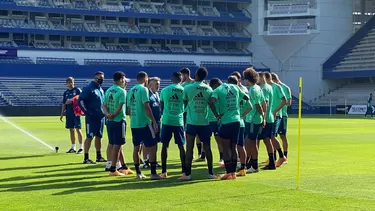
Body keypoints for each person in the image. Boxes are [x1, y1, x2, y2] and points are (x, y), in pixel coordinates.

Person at [178, 67, 216, 180]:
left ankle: (187, 174)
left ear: (196, 75)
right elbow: (211, 104)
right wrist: (217, 115)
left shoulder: (188, 88)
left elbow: (184, 104)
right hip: (204, 122)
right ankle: (210, 172)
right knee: (207, 147)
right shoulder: (209, 89)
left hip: (191, 122)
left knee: (189, 148)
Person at [210, 76, 250, 180]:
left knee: (226, 147)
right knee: (234, 147)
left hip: (226, 121)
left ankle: (228, 172)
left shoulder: (218, 90)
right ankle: (233, 173)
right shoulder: (236, 88)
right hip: (237, 120)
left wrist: (217, 114)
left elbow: (211, 102)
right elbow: (247, 98)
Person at [127, 71, 161, 180]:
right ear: (145, 79)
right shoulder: (144, 89)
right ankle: (153, 173)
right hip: (145, 123)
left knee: (136, 148)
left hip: (134, 123)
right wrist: (154, 121)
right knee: (152, 146)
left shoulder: (131, 90)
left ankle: (138, 173)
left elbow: (128, 110)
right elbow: (146, 106)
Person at [103, 71, 134, 176]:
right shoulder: (122, 92)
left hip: (109, 121)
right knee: (117, 145)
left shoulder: (108, 90)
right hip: (119, 120)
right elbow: (120, 106)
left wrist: (108, 114)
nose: (125, 82)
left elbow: (104, 105)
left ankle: (123, 166)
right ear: (121, 79)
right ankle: (113, 169)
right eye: (125, 80)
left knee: (114, 143)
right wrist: (114, 114)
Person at [159, 72, 186, 178]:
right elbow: (186, 103)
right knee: (181, 146)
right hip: (178, 121)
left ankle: (164, 171)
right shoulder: (184, 90)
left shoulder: (164, 90)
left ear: (171, 79)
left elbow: (161, 105)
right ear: (181, 79)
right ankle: (184, 170)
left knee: (164, 145)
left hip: (166, 120)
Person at [78, 71, 107, 164]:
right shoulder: (89, 88)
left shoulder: (100, 89)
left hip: (101, 117)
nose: (101, 79)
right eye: (99, 78)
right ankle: (86, 157)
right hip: (91, 117)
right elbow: (81, 100)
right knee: (89, 136)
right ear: (95, 78)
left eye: (102, 78)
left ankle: (99, 156)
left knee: (99, 136)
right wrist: (86, 112)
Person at [243, 68, 266, 173]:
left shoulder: (253, 90)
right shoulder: (258, 88)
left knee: (252, 142)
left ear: (248, 79)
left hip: (253, 119)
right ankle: (250, 163)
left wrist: (262, 116)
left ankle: (254, 165)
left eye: (245, 79)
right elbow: (264, 103)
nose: (244, 81)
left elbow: (257, 105)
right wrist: (264, 116)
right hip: (252, 119)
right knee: (249, 141)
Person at [180, 68, 205, 161]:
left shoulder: (195, 83)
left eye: (182, 75)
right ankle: (191, 152)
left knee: (198, 134)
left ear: (185, 75)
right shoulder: (182, 85)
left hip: (196, 111)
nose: (181, 77)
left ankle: (200, 152)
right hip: (186, 112)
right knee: (188, 133)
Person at [230, 71, 252, 176]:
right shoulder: (243, 90)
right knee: (239, 145)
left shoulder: (239, 91)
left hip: (236, 121)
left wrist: (241, 115)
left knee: (237, 145)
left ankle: (239, 167)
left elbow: (250, 106)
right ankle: (241, 167)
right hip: (240, 122)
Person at [266, 72, 287, 167]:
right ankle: (273, 158)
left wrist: (275, 111)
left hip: (276, 115)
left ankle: (281, 156)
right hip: (269, 115)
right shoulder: (266, 88)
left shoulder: (277, 87)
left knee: (271, 136)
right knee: (269, 137)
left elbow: (284, 100)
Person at [257, 72, 276, 170]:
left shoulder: (264, 88)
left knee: (258, 140)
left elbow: (265, 103)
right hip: (270, 117)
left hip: (266, 118)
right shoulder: (269, 87)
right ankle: (272, 161)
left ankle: (253, 162)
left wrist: (262, 117)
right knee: (267, 140)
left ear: (261, 77)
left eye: (257, 78)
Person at [142, 77, 162, 169]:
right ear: (150, 84)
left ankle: (153, 160)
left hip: (157, 121)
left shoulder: (157, 94)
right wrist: (152, 121)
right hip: (150, 122)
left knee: (155, 142)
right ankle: (146, 160)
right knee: (147, 142)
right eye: (156, 84)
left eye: (158, 84)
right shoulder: (147, 94)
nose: (158, 86)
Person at [60, 77, 83, 154]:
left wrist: (72, 99)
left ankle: (81, 147)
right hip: (69, 113)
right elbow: (64, 103)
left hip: (76, 112)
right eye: (69, 82)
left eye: (71, 82)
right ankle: (73, 147)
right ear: (66, 83)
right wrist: (62, 113)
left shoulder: (77, 90)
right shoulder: (65, 93)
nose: (70, 83)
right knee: (71, 130)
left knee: (78, 129)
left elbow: (81, 97)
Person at [272, 73, 292, 159]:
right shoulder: (272, 87)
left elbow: (289, 102)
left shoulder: (285, 88)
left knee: (283, 136)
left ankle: (285, 156)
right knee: (273, 136)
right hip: (274, 115)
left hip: (282, 115)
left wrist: (280, 103)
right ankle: (273, 157)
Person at [207, 80, 223, 167]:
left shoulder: (219, 93)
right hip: (209, 120)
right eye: (219, 84)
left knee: (219, 140)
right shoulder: (212, 93)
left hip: (216, 121)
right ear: (214, 85)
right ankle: (208, 157)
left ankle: (221, 158)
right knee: (207, 141)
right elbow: (210, 103)